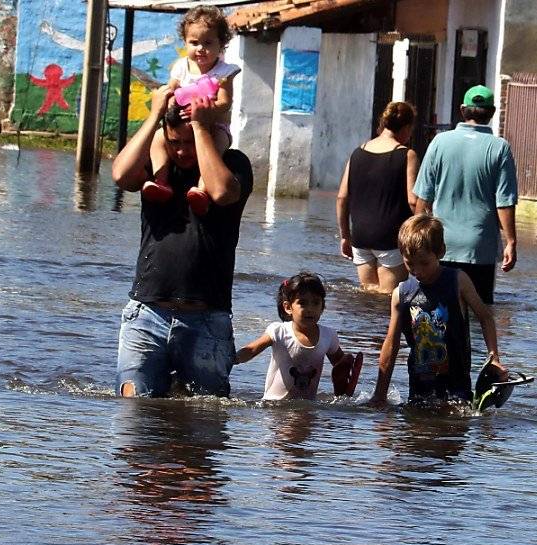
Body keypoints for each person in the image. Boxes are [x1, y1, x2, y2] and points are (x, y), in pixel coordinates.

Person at [110, 78, 253, 399]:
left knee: (204, 420)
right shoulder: (158, 168)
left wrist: (202, 129)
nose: (181, 151)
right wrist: (153, 116)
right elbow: (120, 175)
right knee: (135, 415)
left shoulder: (233, 165)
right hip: (146, 314)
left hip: (206, 317)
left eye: (188, 143)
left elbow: (221, 192)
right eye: (174, 142)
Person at [371, 214, 507, 406]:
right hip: (419, 387)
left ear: (441, 251)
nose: (417, 271)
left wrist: (493, 357)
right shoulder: (401, 294)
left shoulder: (458, 282)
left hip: (457, 385)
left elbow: (485, 318)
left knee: (453, 426)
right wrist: (379, 395)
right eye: (410, 263)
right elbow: (391, 346)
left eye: (424, 263)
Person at [414, 85, 518, 304]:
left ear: (462, 110)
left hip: (441, 245)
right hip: (479, 248)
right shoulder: (500, 148)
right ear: (492, 112)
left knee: (438, 311)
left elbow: (423, 197)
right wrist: (511, 241)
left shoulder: (439, 142)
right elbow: (504, 202)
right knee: (477, 314)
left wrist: (417, 238)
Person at [142, 6, 240, 216]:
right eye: (194, 43)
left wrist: (206, 113)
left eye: (208, 43)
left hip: (213, 126)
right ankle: (161, 180)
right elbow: (171, 91)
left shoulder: (224, 72)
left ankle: (202, 189)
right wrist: (169, 105)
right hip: (181, 126)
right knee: (159, 138)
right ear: (185, 42)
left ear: (222, 44)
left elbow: (225, 103)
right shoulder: (181, 67)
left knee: (216, 149)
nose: (200, 49)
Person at [235, 272, 361, 401]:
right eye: (303, 303)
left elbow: (341, 366)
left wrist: (348, 376)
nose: (310, 309)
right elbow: (251, 350)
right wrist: (233, 359)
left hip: (308, 408)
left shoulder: (328, 336)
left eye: (316, 303)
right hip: (274, 408)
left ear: (323, 307)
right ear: (288, 307)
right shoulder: (279, 331)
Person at [336, 101, 418, 293]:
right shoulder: (407, 155)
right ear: (406, 127)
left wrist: (345, 236)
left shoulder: (358, 152)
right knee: (389, 299)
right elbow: (413, 200)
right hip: (390, 238)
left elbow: (341, 198)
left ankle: (364, 325)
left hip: (360, 237)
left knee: (368, 295)